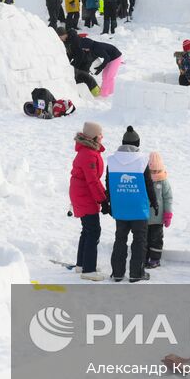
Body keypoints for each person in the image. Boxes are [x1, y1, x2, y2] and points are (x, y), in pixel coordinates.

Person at [106, 126, 155, 283]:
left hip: (120, 207)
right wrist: (154, 201)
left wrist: (109, 202)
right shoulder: (142, 160)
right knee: (139, 240)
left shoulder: (112, 161)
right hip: (139, 208)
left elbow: (108, 184)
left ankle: (117, 273)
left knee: (120, 239)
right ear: (138, 143)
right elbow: (148, 185)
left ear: (122, 142)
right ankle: (136, 273)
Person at [68, 120, 108, 281]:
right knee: (93, 230)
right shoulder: (88, 155)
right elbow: (92, 181)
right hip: (84, 194)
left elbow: (93, 180)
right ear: (94, 137)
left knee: (87, 229)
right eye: (100, 135)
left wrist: (102, 197)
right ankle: (89, 270)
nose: (102, 137)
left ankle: (82, 265)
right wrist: (103, 199)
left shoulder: (89, 151)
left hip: (82, 193)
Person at [145, 150, 173, 270]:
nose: (155, 173)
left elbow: (168, 198)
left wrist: (168, 214)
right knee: (144, 239)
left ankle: (155, 259)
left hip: (158, 218)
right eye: (152, 171)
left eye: (157, 171)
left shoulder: (163, 181)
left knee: (156, 239)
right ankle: (143, 258)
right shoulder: (144, 180)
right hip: (144, 217)